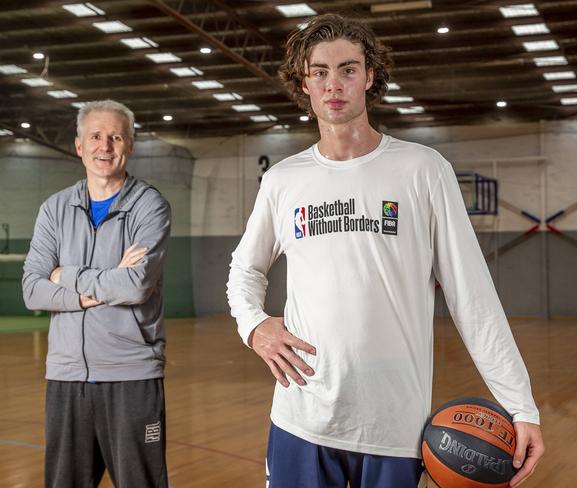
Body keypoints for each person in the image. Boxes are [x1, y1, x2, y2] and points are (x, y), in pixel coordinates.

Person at [227, 14, 544, 488]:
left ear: (369, 76)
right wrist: (255, 327)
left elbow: (473, 298)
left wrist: (521, 405)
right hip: (302, 416)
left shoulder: (423, 170)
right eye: (320, 72)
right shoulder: (283, 181)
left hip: (395, 426)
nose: (334, 84)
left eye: (348, 69)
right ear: (304, 82)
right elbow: (244, 271)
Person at [22, 99, 171, 488]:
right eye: (96, 137)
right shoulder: (54, 210)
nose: (105, 146)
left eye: (116, 137)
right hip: (66, 376)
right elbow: (32, 289)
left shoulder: (149, 206)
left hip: (131, 375)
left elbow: (135, 285)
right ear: (79, 146)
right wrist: (95, 290)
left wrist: (65, 276)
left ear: (130, 146)